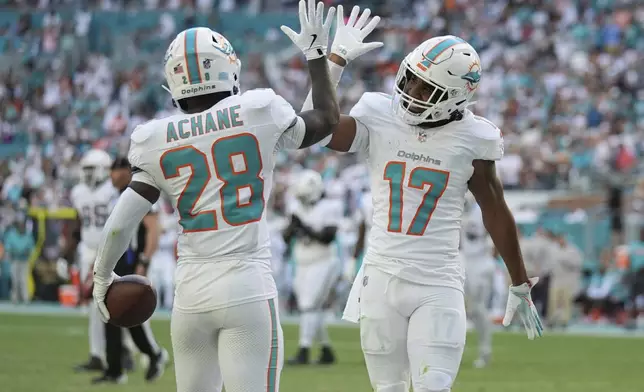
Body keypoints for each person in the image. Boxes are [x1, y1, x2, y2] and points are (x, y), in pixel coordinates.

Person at [91, 1, 341, 390]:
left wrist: (102, 277)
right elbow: (326, 122)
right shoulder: (260, 109)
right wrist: (318, 57)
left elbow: (119, 223)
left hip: (191, 293)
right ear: (229, 68)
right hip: (247, 284)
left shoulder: (153, 139)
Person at [301, 8, 543, 391]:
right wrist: (333, 60)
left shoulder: (474, 137)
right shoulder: (379, 114)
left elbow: (494, 209)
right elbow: (313, 129)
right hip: (379, 277)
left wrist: (518, 281)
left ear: (457, 96)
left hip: (436, 281)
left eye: (426, 89)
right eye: (411, 80)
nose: (412, 93)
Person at [92, 156, 168, 385]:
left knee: (129, 313)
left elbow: (153, 229)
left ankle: (153, 354)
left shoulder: (141, 190)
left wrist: (144, 261)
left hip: (133, 261)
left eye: (116, 170)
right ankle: (116, 368)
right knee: (112, 313)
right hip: (117, 260)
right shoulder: (115, 196)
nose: (112, 175)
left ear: (127, 170)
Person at [60, 149, 134, 373]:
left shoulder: (114, 192)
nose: (88, 174)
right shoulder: (79, 192)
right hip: (89, 251)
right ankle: (98, 354)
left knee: (122, 303)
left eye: (92, 169)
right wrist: (67, 255)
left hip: (112, 251)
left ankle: (125, 350)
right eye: (86, 169)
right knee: (95, 307)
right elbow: (78, 224)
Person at [284, 169, 341, 365]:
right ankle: (326, 350)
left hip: (323, 261)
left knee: (309, 305)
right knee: (309, 308)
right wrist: (293, 226)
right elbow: (286, 237)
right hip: (302, 262)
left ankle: (304, 350)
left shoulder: (330, 206)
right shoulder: (296, 207)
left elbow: (328, 237)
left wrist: (304, 226)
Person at [461, 195, 495, 368]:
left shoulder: (482, 212)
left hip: (481, 262)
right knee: (454, 306)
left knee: (478, 309)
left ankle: (485, 350)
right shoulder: (456, 210)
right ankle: (454, 346)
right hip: (462, 261)